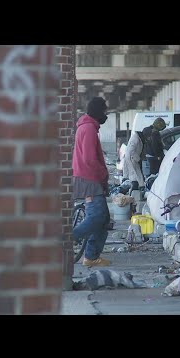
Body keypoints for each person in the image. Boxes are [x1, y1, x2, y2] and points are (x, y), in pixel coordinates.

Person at [72, 97, 112, 267]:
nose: (106, 114)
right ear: (97, 111)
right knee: (96, 217)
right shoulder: (88, 128)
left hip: (89, 179)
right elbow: (90, 159)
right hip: (90, 179)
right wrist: (103, 174)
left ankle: (91, 256)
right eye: (104, 110)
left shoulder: (88, 127)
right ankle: (68, 238)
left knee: (103, 219)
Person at [123, 126, 147, 191]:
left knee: (135, 175)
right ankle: (135, 191)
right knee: (135, 176)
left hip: (132, 158)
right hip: (132, 159)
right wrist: (138, 159)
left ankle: (136, 189)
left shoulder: (138, 139)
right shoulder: (136, 139)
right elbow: (131, 151)